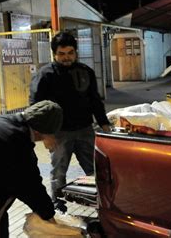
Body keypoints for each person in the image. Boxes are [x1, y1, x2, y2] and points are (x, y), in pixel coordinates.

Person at [29, 31, 111, 212]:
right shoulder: (45, 75)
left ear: (75, 52)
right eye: (61, 54)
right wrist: (46, 135)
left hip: (85, 130)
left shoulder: (85, 72)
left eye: (70, 53)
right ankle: (58, 206)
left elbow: (95, 101)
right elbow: (35, 106)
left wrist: (105, 125)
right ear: (54, 54)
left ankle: (100, 203)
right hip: (58, 133)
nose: (66, 58)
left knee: (94, 169)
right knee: (59, 172)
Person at [0, 100, 63, 238]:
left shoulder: (9, 124)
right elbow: (29, 184)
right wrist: (49, 216)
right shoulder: (14, 139)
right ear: (42, 131)